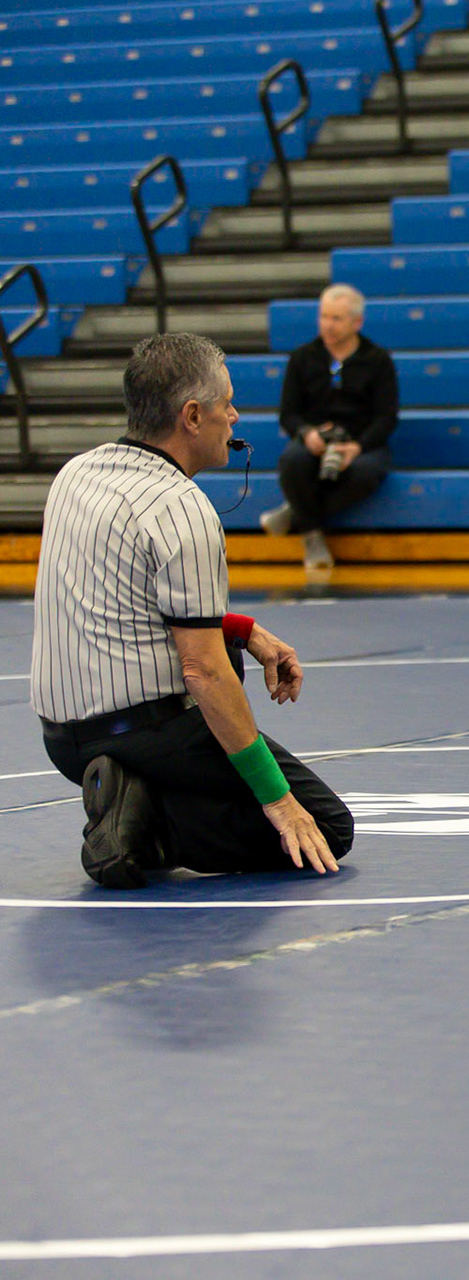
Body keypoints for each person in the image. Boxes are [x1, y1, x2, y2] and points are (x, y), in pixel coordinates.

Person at [30, 333, 351, 889]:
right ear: (193, 416)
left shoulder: (75, 474)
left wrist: (243, 628)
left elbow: (121, 601)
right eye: (227, 403)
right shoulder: (181, 507)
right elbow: (203, 671)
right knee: (325, 827)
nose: (235, 416)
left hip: (63, 741)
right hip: (141, 731)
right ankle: (145, 823)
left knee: (224, 644)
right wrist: (278, 801)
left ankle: (130, 791)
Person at [263, 283, 399, 573]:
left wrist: (357, 447)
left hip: (361, 441)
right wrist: (307, 433)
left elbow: (386, 418)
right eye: (324, 316)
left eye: (336, 318)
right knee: (292, 461)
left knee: (364, 472)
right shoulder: (302, 358)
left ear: (357, 322)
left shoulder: (378, 360)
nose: (328, 324)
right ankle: (312, 534)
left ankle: (295, 514)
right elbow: (288, 415)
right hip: (315, 440)